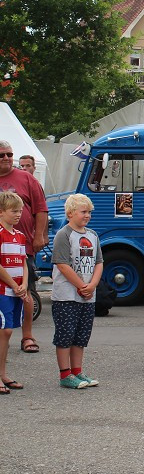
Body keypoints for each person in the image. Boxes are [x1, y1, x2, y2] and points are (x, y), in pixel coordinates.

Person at [50, 193, 102, 389]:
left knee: (81, 336)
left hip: (88, 296)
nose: (87, 215)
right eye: (83, 212)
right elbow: (63, 265)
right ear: (70, 213)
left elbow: (99, 262)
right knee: (65, 335)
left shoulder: (93, 235)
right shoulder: (64, 235)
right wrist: (81, 286)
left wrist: (92, 285)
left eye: (89, 212)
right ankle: (65, 374)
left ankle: (77, 371)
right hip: (66, 295)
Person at [0, 141, 47, 355]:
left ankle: (27, 336)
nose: (7, 158)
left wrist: (39, 236)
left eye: (10, 154)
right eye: (2, 155)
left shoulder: (26, 178)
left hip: (22, 245)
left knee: (25, 291)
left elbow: (40, 209)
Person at [0, 191, 29, 394]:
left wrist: (24, 285)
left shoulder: (19, 236)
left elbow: (24, 263)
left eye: (20, 211)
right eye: (14, 211)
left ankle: (3, 373)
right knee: (4, 331)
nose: (18, 214)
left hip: (16, 290)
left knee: (7, 332)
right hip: (3, 289)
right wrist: (13, 284)